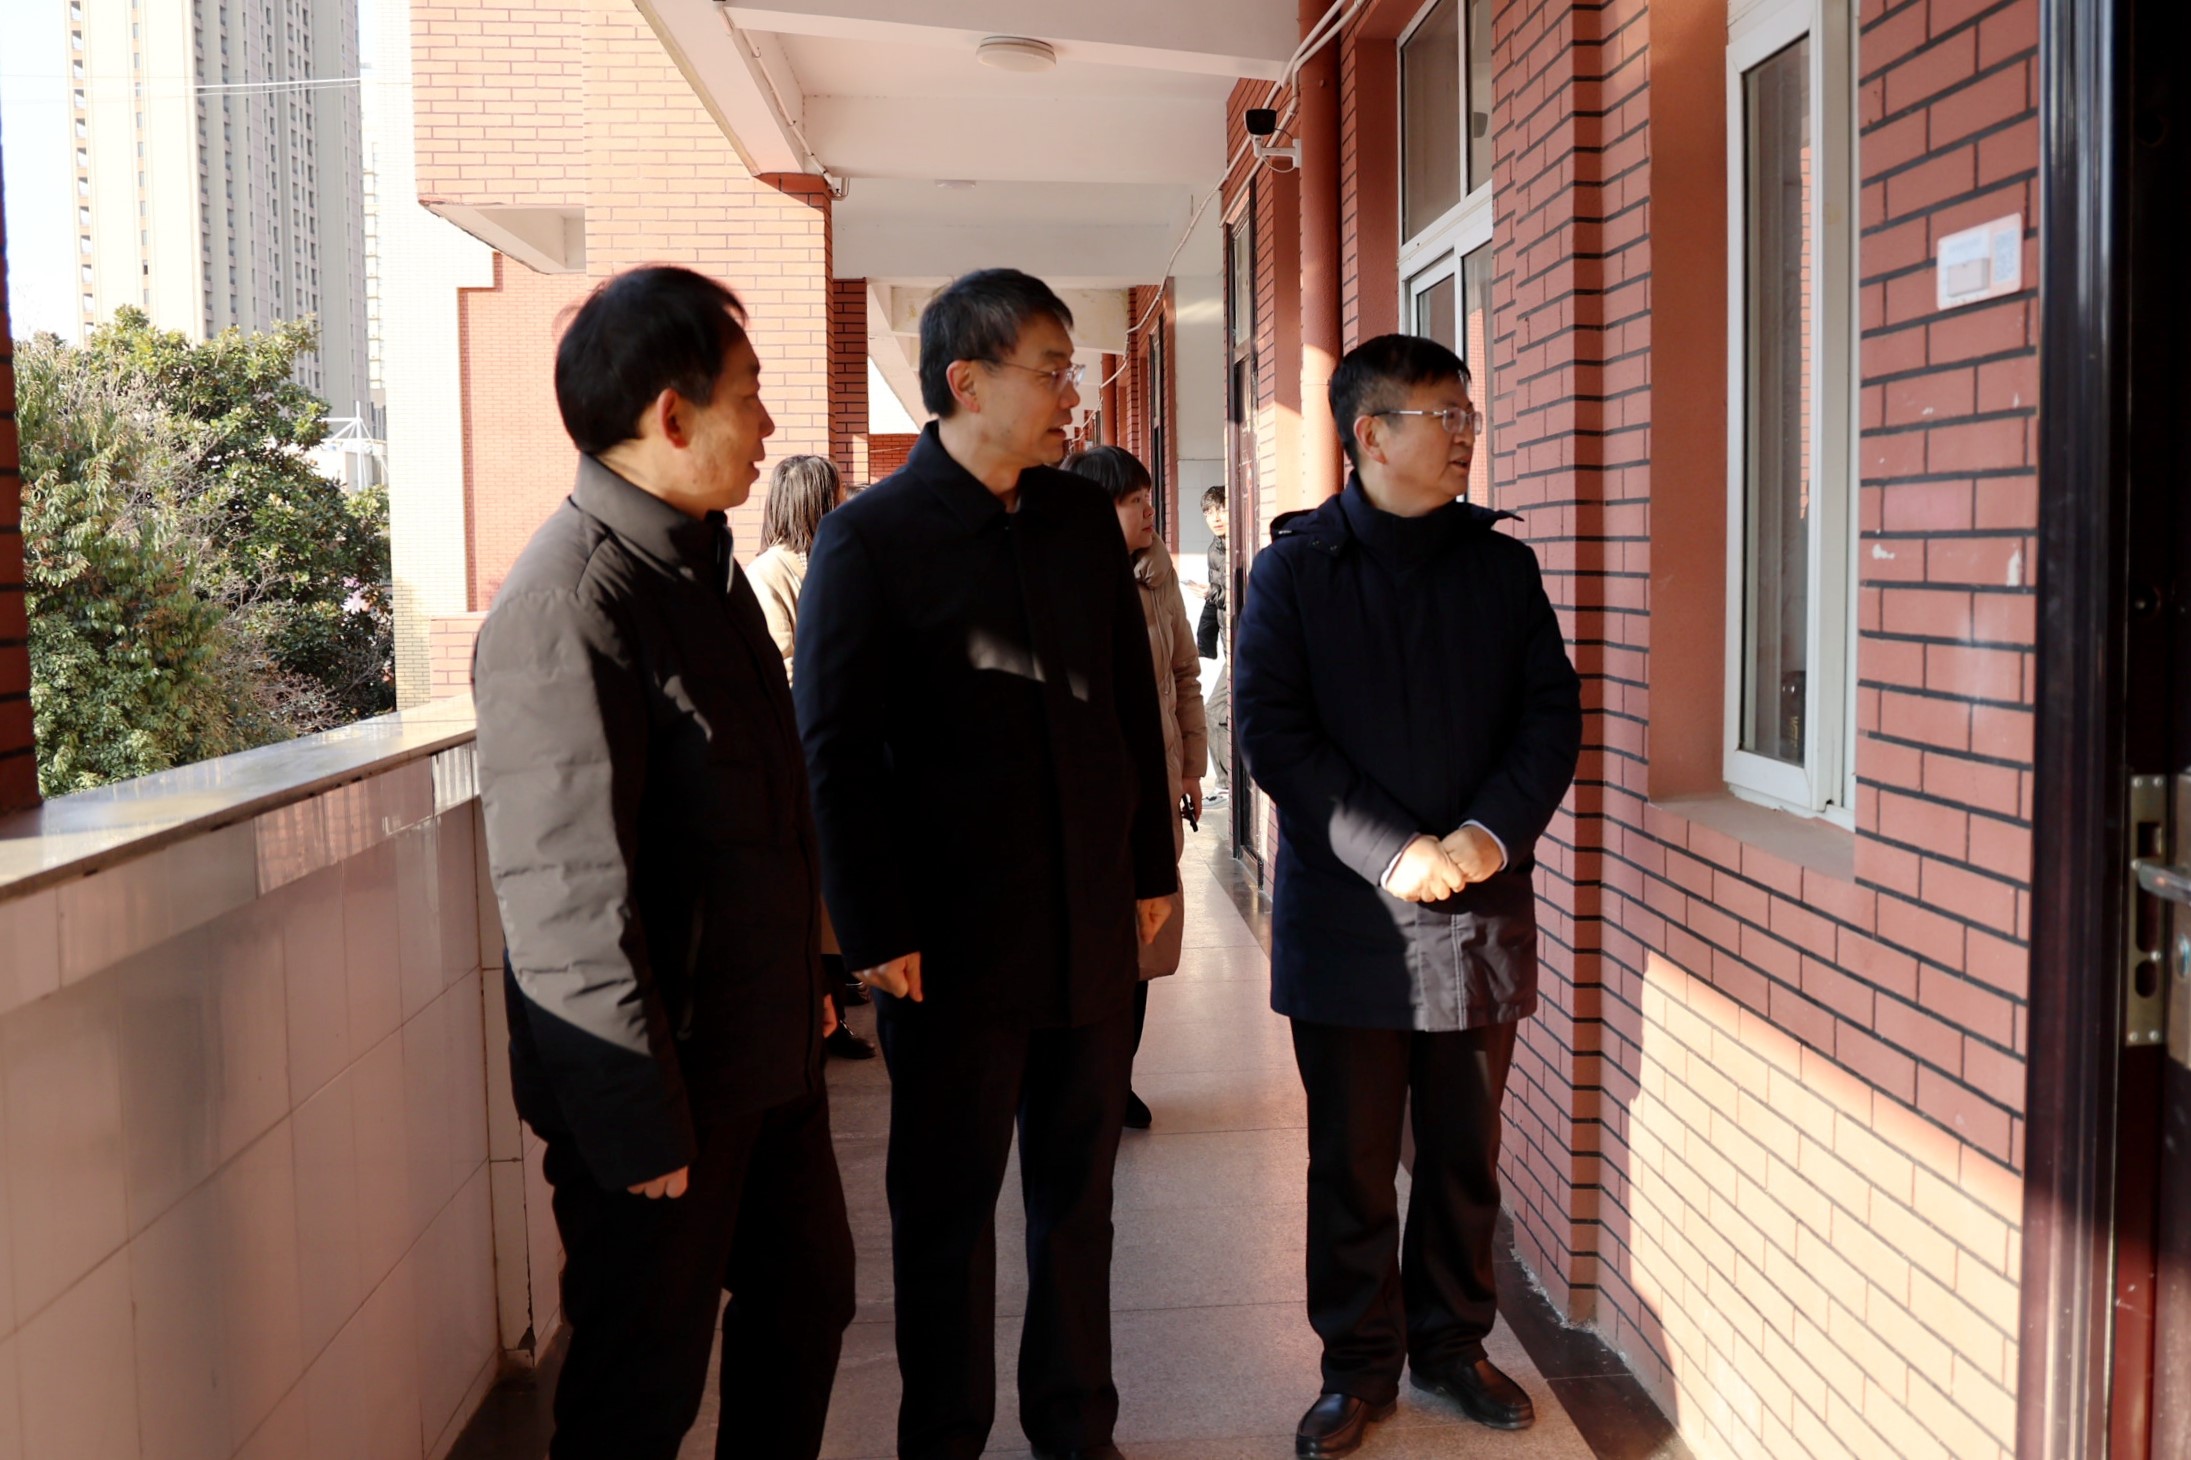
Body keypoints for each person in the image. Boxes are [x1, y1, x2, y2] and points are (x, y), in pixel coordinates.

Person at [794, 268, 1179, 1460]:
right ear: (967, 381)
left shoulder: (1074, 520)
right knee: (946, 1216)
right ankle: (944, 1436)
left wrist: (1150, 867)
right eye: (1051, 369)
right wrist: (872, 928)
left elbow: (1128, 706)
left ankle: (1075, 1426)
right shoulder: (869, 539)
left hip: (1087, 926)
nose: (1071, 394)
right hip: (948, 947)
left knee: (1078, 1201)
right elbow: (834, 750)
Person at [471, 266, 855, 1460]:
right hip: (663, 1090)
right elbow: (565, 898)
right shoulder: (570, 600)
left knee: (806, 1304)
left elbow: (762, 815)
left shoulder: (705, 570)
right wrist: (636, 1125)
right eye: (749, 393)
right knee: (640, 1391)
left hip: (764, 1057)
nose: (769, 424)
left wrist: (811, 982)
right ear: (672, 415)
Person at [1234, 333, 1582, 1459]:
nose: (1466, 433)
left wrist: (1486, 833)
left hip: (1477, 906)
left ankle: (1451, 1344)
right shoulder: (1295, 571)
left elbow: (1550, 717)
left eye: (1468, 414)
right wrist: (1393, 852)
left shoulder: (1500, 569)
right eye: (1444, 416)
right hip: (1350, 919)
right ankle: (1355, 1368)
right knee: (1350, 1159)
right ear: (1370, 434)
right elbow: (1275, 735)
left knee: (1462, 1153)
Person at [1062, 444, 1208, 1131]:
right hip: (1091, 798)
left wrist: (1191, 766)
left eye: (1149, 498)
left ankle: (1118, 1079)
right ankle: (1084, 1083)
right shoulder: (1062, 580)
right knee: (1097, 940)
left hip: (1154, 788)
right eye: (1134, 501)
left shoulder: (1156, 574)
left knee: (1146, 942)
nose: (1150, 511)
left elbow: (1184, 673)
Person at [748, 452, 879, 1061]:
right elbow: (784, 666)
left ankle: (836, 1004)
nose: (844, 499)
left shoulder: (830, 559)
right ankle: (826, 1020)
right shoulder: (771, 571)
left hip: (847, 746)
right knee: (817, 893)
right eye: (835, 490)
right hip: (808, 753)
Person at [1195, 485, 1231, 805]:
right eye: (1209, 512)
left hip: (1248, 646)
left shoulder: (1241, 543)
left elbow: (1238, 592)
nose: (1215, 517)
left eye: (1221, 509)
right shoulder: (1214, 549)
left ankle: (1227, 783)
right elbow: (1214, 602)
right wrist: (1203, 643)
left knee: (1215, 711)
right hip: (1231, 646)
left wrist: (1211, 593)